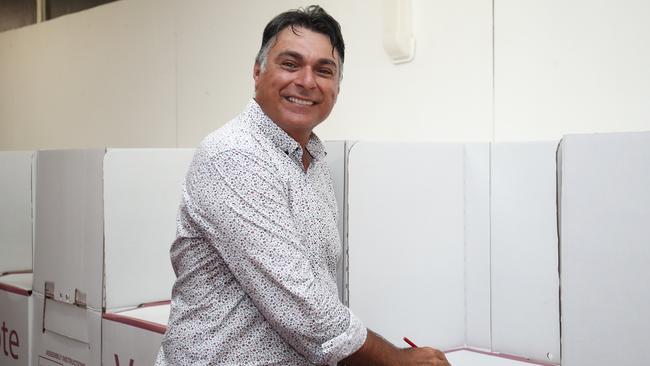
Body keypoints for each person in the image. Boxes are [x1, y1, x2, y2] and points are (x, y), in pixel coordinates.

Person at [156, 5, 451, 366]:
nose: (307, 81)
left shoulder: (310, 158)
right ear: (257, 72)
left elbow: (317, 294)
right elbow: (300, 304)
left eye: (324, 70)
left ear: (338, 87)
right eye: (290, 64)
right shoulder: (234, 155)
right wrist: (396, 360)